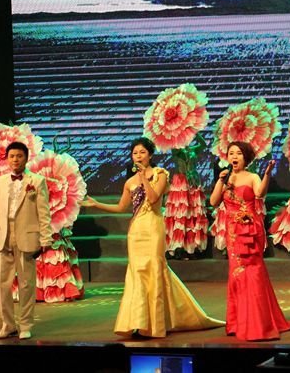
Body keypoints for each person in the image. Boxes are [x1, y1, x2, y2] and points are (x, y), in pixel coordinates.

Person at [81, 137, 223, 337]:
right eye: (135, 153)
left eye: (142, 152)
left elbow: (154, 197)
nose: (138, 156)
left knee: (155, 269)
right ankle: (138, 322)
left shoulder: (160, 174)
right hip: (136, 230)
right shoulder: (129, 182)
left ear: (150, 155)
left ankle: (156, 324)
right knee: (137, 273)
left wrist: (144, 178)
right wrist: (97, 204)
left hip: (153, 227)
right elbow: (121, 207)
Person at [209, 142, 290, 341]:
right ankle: (238, 322)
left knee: (253, 272)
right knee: (236, 273)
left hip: (250, 229)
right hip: (232, 232)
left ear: (246, 157)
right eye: (231, 153)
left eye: (238, 153)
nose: (234, 157)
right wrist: (220, 181)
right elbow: (213, 202)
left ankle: (258, 323)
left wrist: (267, 174)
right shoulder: (225, 177)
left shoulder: (252, 177)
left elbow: (260, 193)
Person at [0, 141, 53, 340]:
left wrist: (46, 239)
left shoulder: (37, 181)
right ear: (7, 159)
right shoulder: (0, 182)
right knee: (0, 283)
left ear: (26, 158)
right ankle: (8, 325)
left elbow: (43, 212)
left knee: (26, 284)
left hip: (26, 237)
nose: (15, 160)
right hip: (4, 237)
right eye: (12, 156)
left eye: (19, 156)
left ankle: (25, 324)